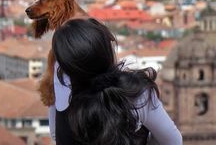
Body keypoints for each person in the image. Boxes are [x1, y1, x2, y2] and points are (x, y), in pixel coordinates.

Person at [48, 18, 182, 145]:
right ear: (107, 51)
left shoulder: (62, 95)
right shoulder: (137, 93)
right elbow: (173, 141)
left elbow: (56, 134)